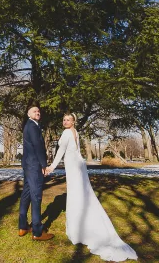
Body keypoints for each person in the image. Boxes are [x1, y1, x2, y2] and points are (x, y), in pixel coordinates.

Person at [46, 113, 137, 261]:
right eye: (64, 119)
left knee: (76, 196)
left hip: (74, 167)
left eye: (68, 119)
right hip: (78, 165)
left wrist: (51, 167)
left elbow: (60, 152)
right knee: (82, 195)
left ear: (73, 121)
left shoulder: (67, 132)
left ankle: (78, 230)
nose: (65, 121)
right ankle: (84, 223)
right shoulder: (76, 132)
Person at [18, 105, 55, 241]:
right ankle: (37, 231)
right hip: (34, 166)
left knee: (26, 195)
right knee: (36, 196)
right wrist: (44, 165)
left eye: (38, 111)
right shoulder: (33, 126)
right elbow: (38, 146)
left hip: (28, 165)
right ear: (28, 114)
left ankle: (22, 227)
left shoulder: (30, 125)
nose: (37, 112)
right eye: (34, 111)